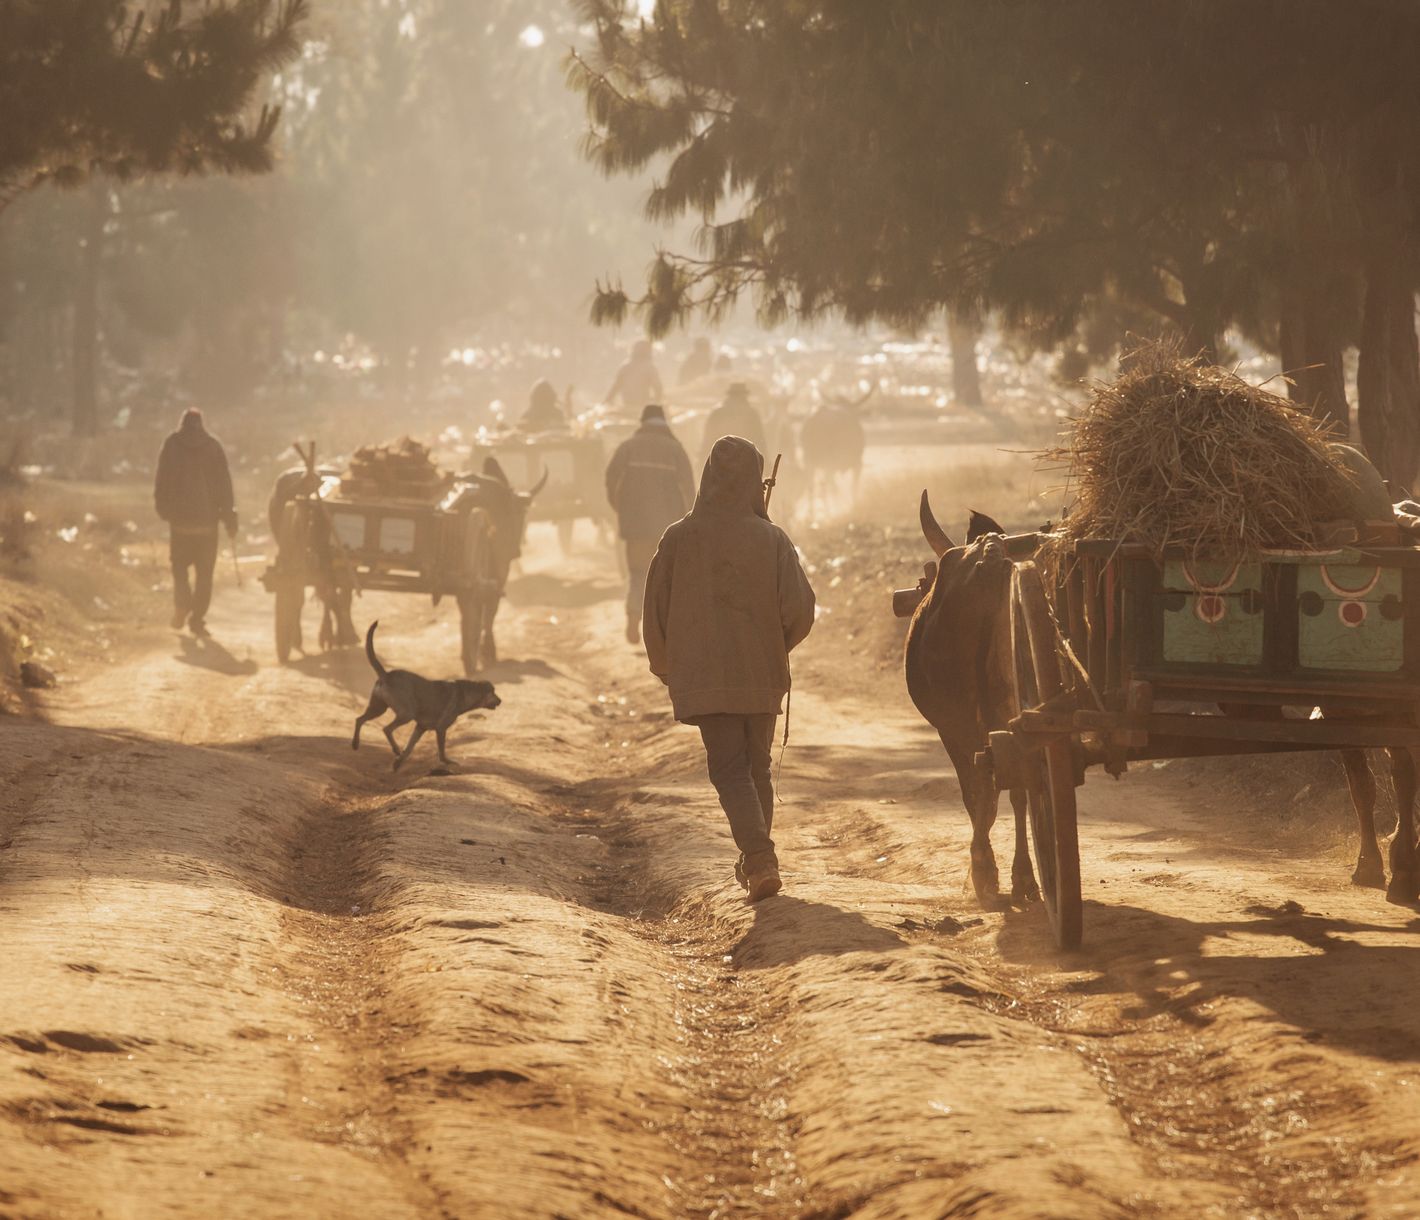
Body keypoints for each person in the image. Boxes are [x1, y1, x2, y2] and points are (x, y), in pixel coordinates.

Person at [643, 436, 816, 901]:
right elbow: (800, 610)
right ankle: (757, 860)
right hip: (761, 673)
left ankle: (759, 859)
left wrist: (669, 668)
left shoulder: (678, 537)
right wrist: (774, 649)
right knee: (755, 765)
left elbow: (654, 611)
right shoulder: (772, 538)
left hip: (703, 676)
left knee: (730, 769)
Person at [605, 405, 696, 645]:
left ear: (642, 422)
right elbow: (689, 489)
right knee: (668, 577)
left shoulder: (627, 448)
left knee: (637, 573)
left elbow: (611, 481)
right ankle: (664, 632)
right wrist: (688, 522)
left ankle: (634, 618)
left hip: (634, 527)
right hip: (668, 529)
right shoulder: (676, 449)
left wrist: (622, 510)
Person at [153, 407, 236, 638]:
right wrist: (229, 516)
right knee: (205, 575)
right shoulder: (213, 446)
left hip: (180, 524)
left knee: (179, 568)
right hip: (208, 525)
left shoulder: (171, 444)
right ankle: (197, 620)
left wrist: (163, 508)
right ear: (202, 425)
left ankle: (182, 603)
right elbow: (224, 484)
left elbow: (162, 478)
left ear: (182, 424)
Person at [700, 382, 766, 463]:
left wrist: (702, 461)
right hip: (746, 462)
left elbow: (707, 441)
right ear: (744, 396)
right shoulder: (751, 414)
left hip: (719, 461)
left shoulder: (717, 413)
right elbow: (759, 440)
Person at [605, 339, 664, 412]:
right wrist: (657, 402)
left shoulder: (625, 366)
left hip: (627, 405)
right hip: (641, 407)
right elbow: (658, 388)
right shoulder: (649, 367)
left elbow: (615, 387)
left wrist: (607, 401)